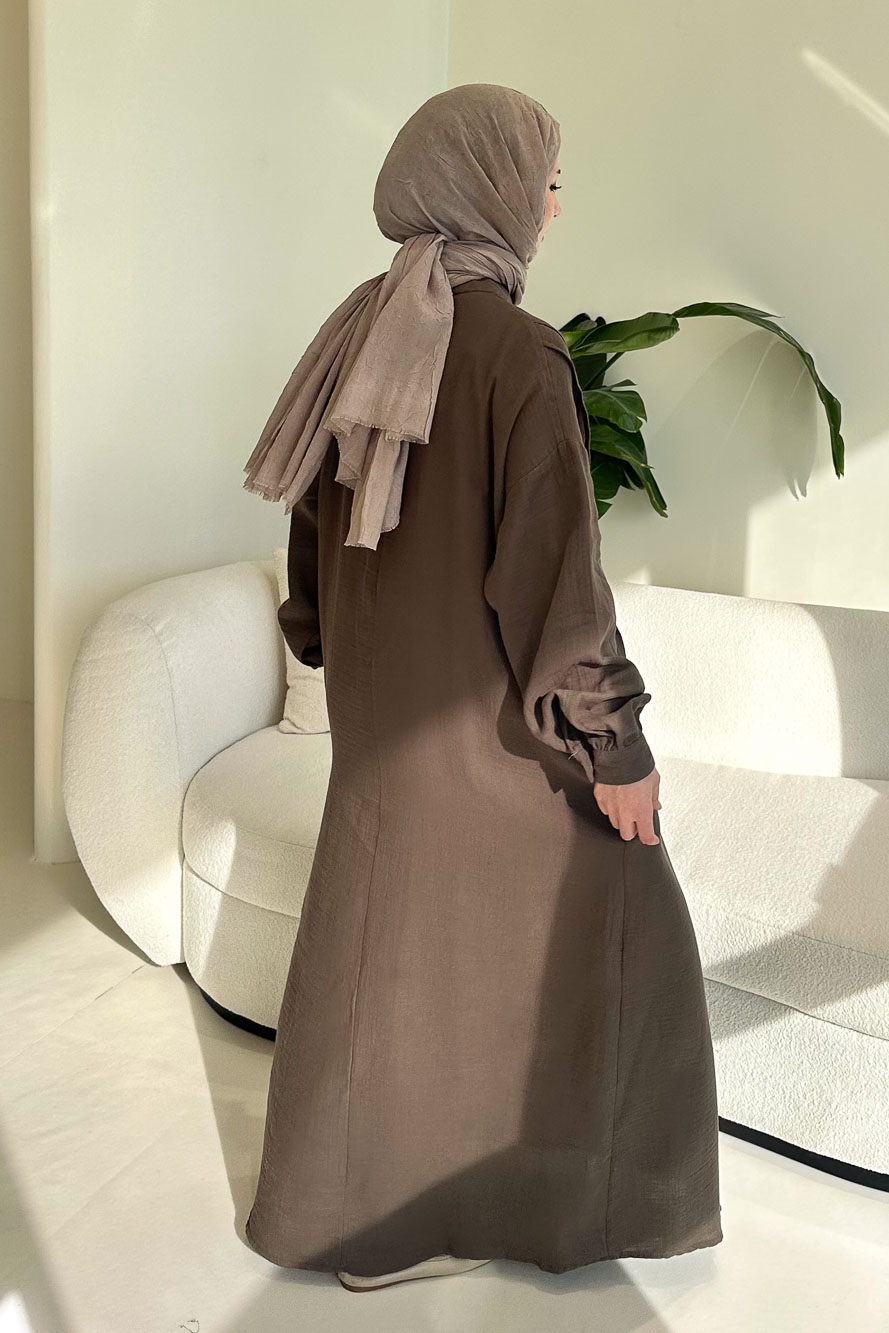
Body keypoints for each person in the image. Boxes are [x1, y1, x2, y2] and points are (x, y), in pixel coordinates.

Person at [241, 82, 723, 1293]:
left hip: (381, 726)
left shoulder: (359, 331)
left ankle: (359, 1224)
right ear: (491, 187)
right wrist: (616, 751)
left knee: (394, 955)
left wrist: (325, 641)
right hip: (493, 731)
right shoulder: (516, 351)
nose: (555, 207)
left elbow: (309, 539)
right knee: (628, 921)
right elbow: (558, 586)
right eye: (546, 181)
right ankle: (530, 1211)